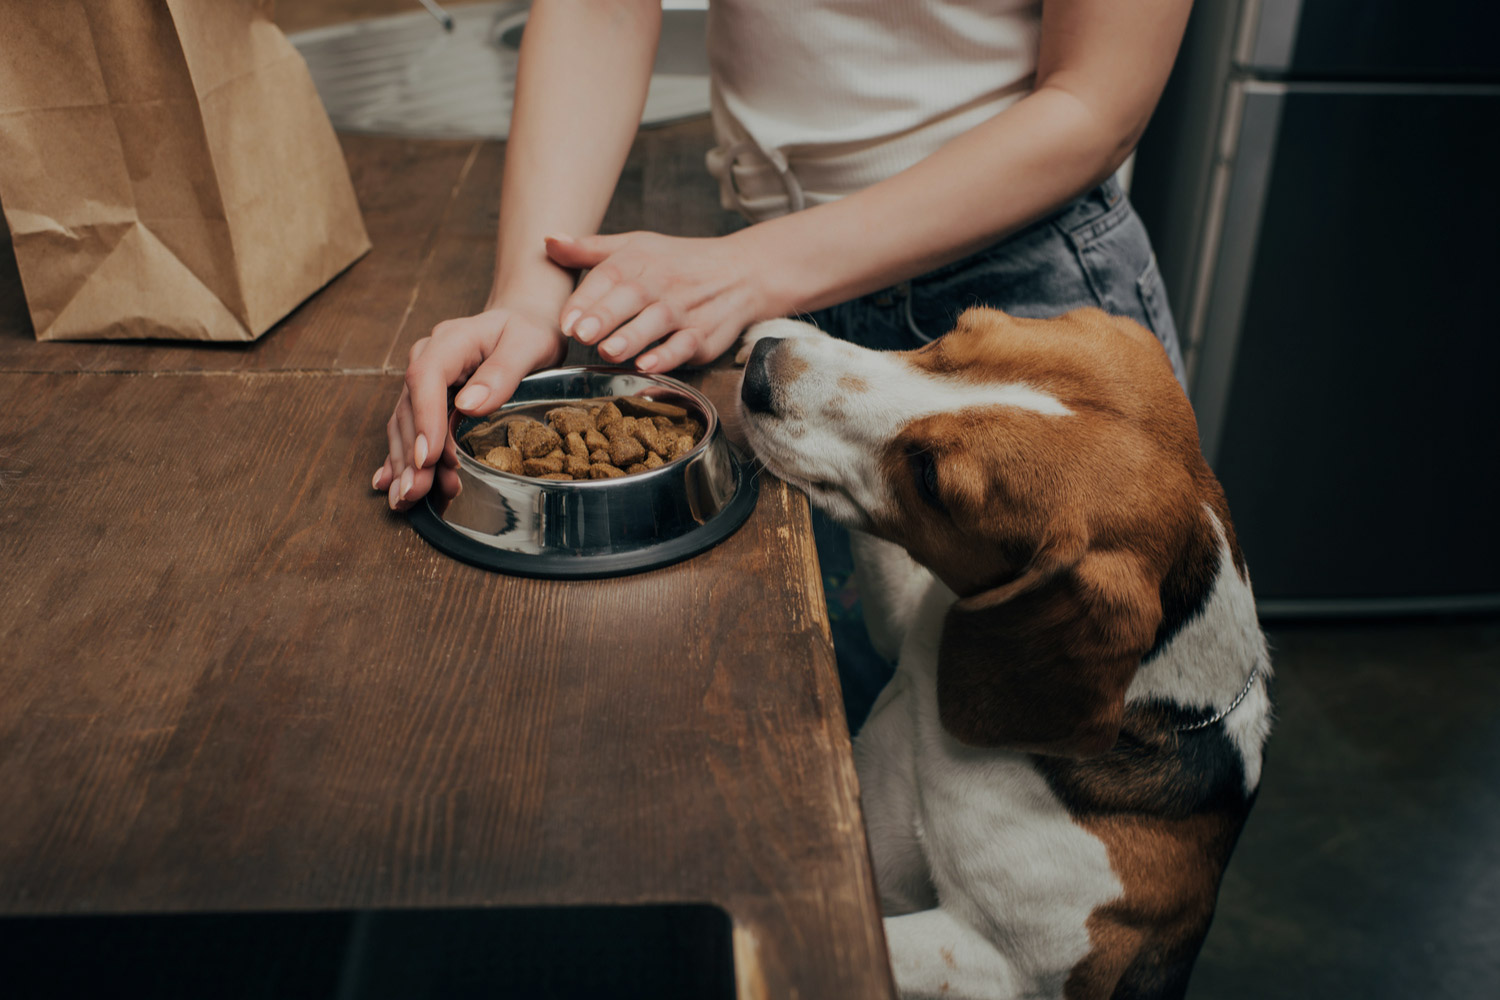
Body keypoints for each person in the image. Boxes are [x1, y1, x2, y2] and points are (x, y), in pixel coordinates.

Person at [373, 0, 1194, 509]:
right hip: (777, 307)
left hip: (1014, 303)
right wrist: (528, 295)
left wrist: (748, 268)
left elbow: (1097, 99)